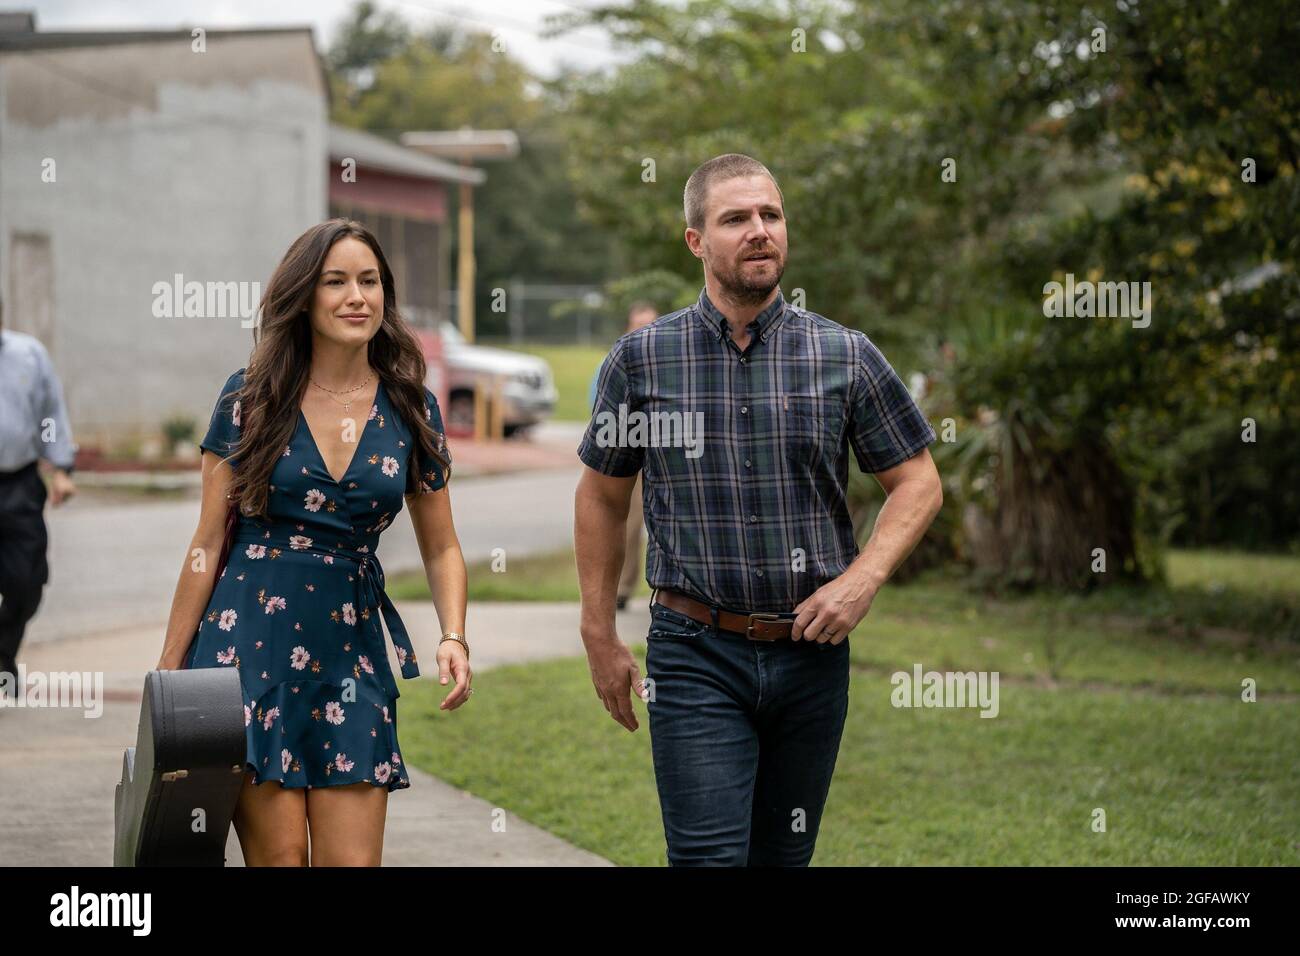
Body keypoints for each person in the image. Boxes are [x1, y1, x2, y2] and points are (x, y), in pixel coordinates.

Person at [574, 154, 942, 866]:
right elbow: (601, 493)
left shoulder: (846, 355)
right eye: (735, 218)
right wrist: (598, 631)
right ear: (696, 240)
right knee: (709, 860)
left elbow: (918, 481)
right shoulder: (643, 361)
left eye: (770, 215)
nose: (758, 231)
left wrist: (861, 580)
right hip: (694, 651)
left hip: (811, 659)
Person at [155, 219, 471, 867]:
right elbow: (206, 543)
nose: (357, 296)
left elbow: (441, 546)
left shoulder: (412, 407)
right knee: (279, 862)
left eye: (370, 281)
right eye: (336, 282)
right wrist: (171, 676)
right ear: (303, 296)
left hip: (351, 656)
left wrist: (453, 633)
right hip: (246, 652)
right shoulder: (249, 399)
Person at [0, 296, 78, 691]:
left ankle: (2, 654)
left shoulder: (28, 354)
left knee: (26, 580)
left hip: (18, 484)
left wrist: (61, 467)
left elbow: (50, 415)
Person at [588, 302, 659, 610]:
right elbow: (600, 416)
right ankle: (620, 589)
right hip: (631, 455)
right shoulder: (616, 364)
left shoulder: (670, 361)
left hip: (668, 452)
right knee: (628, 524)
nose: (644, 330)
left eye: (649, 323)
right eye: (638, 324)